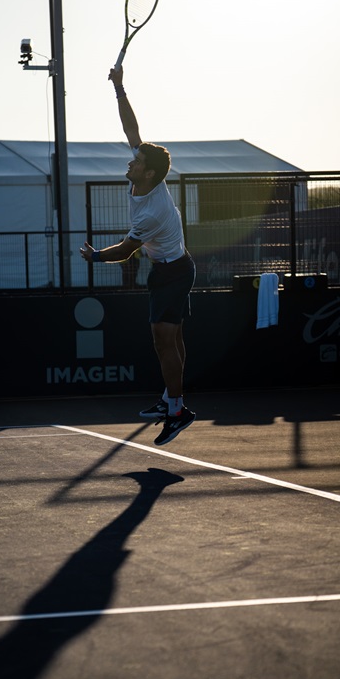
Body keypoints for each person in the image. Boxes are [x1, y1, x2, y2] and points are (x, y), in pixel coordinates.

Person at [80, 66, 196, 446]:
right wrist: (119, 87)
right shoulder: (148, 179)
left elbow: (126, 251)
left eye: (136, 162)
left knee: (164, 340)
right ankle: (171, 399)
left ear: (147, 174)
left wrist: (96, 257)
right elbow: (132, 128)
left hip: (175, 271)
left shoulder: (152, 213)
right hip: (169, 269)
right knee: (169, 339)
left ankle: (176, 410)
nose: (130, 162)